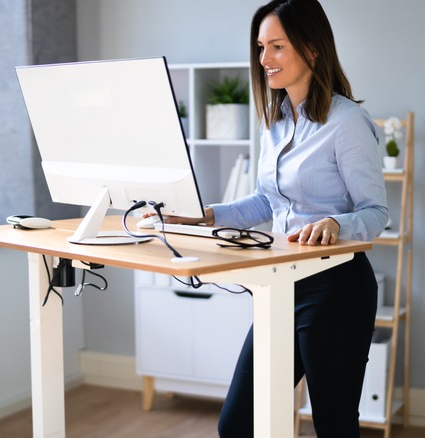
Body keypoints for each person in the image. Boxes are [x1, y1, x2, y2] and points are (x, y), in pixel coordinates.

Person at [153, 0, 388, 435]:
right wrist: (205, 216)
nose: (263, 60)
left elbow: (376, 212)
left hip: (335, 287)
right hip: (280, 284)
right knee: (237, 425)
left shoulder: (347, 122)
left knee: (334, 426)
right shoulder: (274, 122)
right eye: (261, 47)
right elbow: (266, 202)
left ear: (312, 48)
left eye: (276, 46)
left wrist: (337, 224)